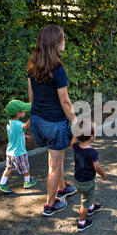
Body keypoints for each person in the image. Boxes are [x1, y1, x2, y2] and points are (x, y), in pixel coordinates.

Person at [27, 25, 78, 216]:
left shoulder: (33, 66)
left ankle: (62, 186)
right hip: (54, 124)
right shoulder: (57, 70)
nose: (65, 41)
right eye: (63, 38)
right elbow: (65, 101)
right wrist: (75, 122)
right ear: (56, 43)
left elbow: (31, 93)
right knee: (54, 165)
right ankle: (50, 204)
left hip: (38, 120)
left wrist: (33, 117)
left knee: (58, 157)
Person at [0, 100, 37, 193]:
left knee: (9, 168)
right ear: (18, 113)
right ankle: (27, 181)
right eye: (24, 110)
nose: (25, 112)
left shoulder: (10, 122)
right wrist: (33, 115)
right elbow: (26, 126)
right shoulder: (18, 124)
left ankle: (1, 184)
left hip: (10, 152)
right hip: (19, 152)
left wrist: (24, 136)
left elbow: (15, 133)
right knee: (25, 167)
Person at [71, 122, 107, 232]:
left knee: (88, 195)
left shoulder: (76, 146)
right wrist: (103, 174)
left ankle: (91, 207)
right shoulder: (92, 152)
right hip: (87, 181)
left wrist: (75, 134)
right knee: (84, 203)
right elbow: (96, 167)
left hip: (77, 179)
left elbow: (71, 142)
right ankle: (82, 223)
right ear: (92, 137)